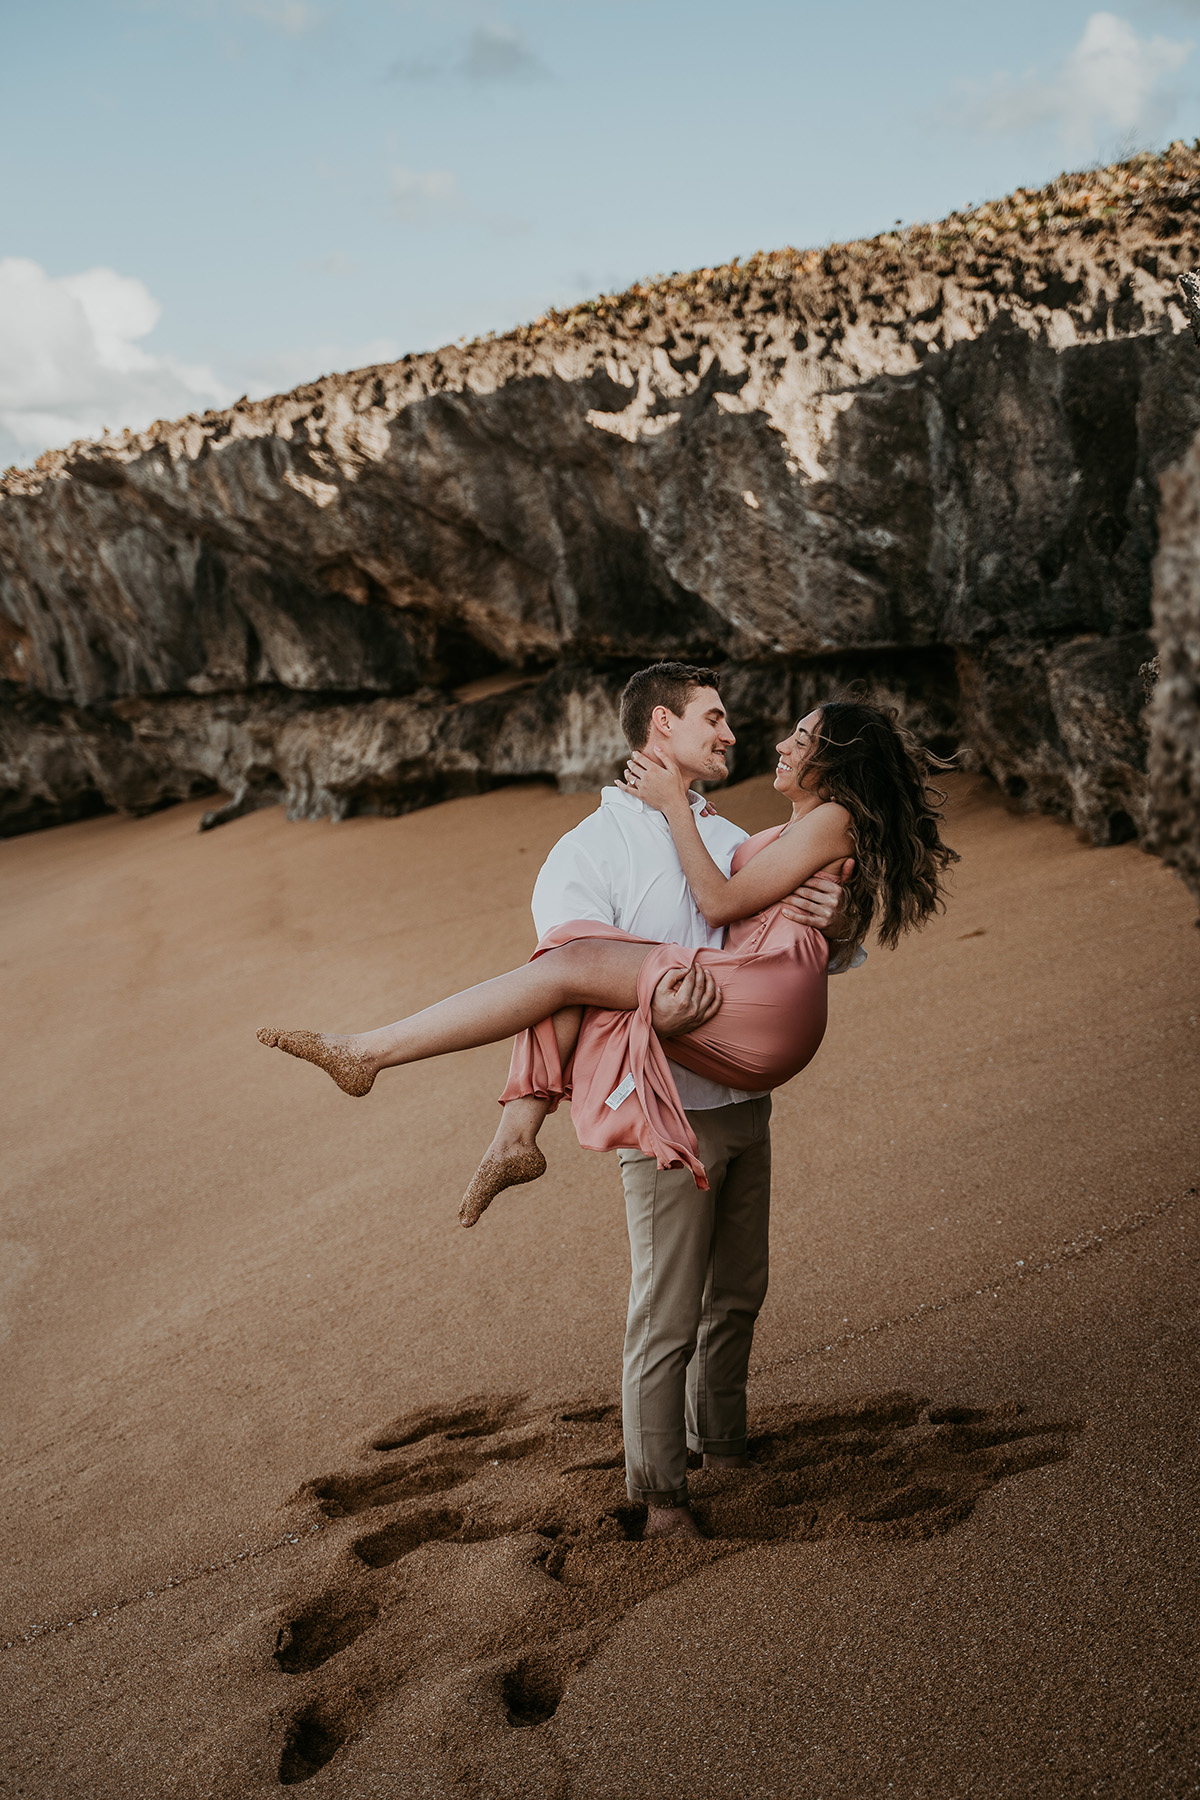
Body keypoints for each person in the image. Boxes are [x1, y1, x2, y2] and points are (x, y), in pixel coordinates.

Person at [258, 663, 958, 1538]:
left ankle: (726, 1445)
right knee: (664, 1311)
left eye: (747, 723)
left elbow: (790, 931)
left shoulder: (730, 830)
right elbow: (563, 984)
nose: (739, 734)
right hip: (668, 1106)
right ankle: (663, 1499)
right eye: (714, 716)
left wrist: (840, 914)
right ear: (660, 728)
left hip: (743, 1095)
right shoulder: (587, 851)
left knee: (737, 1293)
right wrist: (651, 1002)